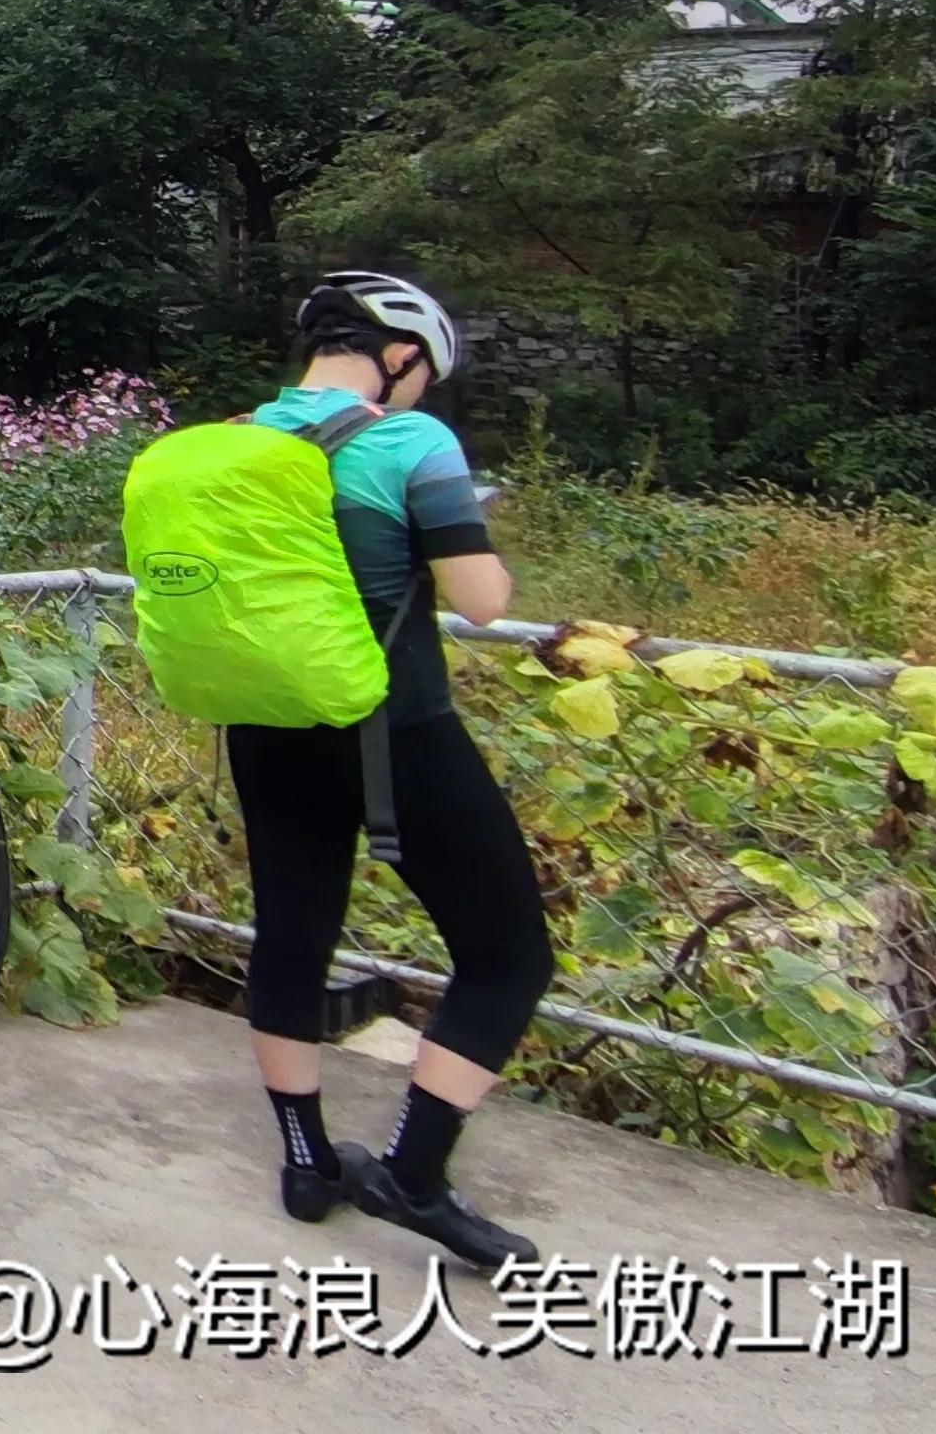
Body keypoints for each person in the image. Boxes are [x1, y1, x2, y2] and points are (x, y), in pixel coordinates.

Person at [235, 271, 553, 1272]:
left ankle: (305, 1162)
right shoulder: (411, 441)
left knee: (292, 931)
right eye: (424, 373)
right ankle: (412, 1172)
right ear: (400, 356)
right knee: (507, 957)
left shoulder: (240, 437)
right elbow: (481, 598)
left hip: (265, 722)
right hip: (392, 731)